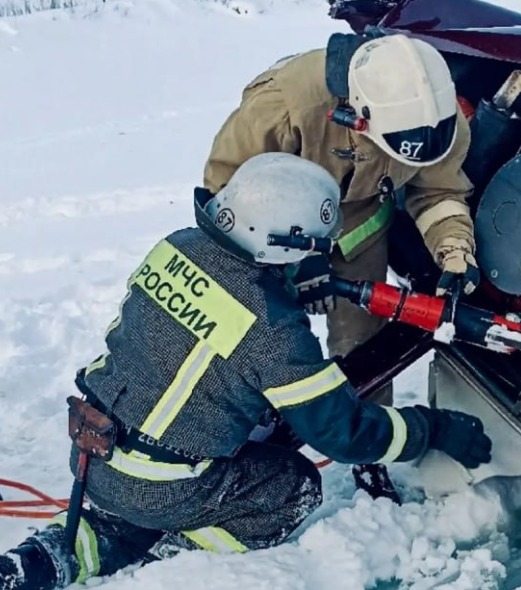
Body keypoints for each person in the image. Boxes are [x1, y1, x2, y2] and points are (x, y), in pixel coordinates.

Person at [0, 153, 491, 590]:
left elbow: (215, 317)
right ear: (282, 245)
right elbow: (344, 434)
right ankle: (177, 559)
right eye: (313, 248)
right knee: (290, 484)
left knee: (133, 503)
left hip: (95, 452)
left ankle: (58, 550)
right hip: (166, 482)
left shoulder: (178, 245)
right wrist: (434, 430)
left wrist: (285, 283)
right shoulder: (273, 331)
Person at [201, 32, 481, 502]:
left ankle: (368, 456)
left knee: (365, 343)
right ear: (357, 116)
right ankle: (237, 437)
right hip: (267, 226)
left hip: (358, 222)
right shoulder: (285, 105)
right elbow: (226, 192)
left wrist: (454, 252)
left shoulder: (438, 120)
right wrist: (298, 260)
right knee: (259, 339)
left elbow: (438, 191)